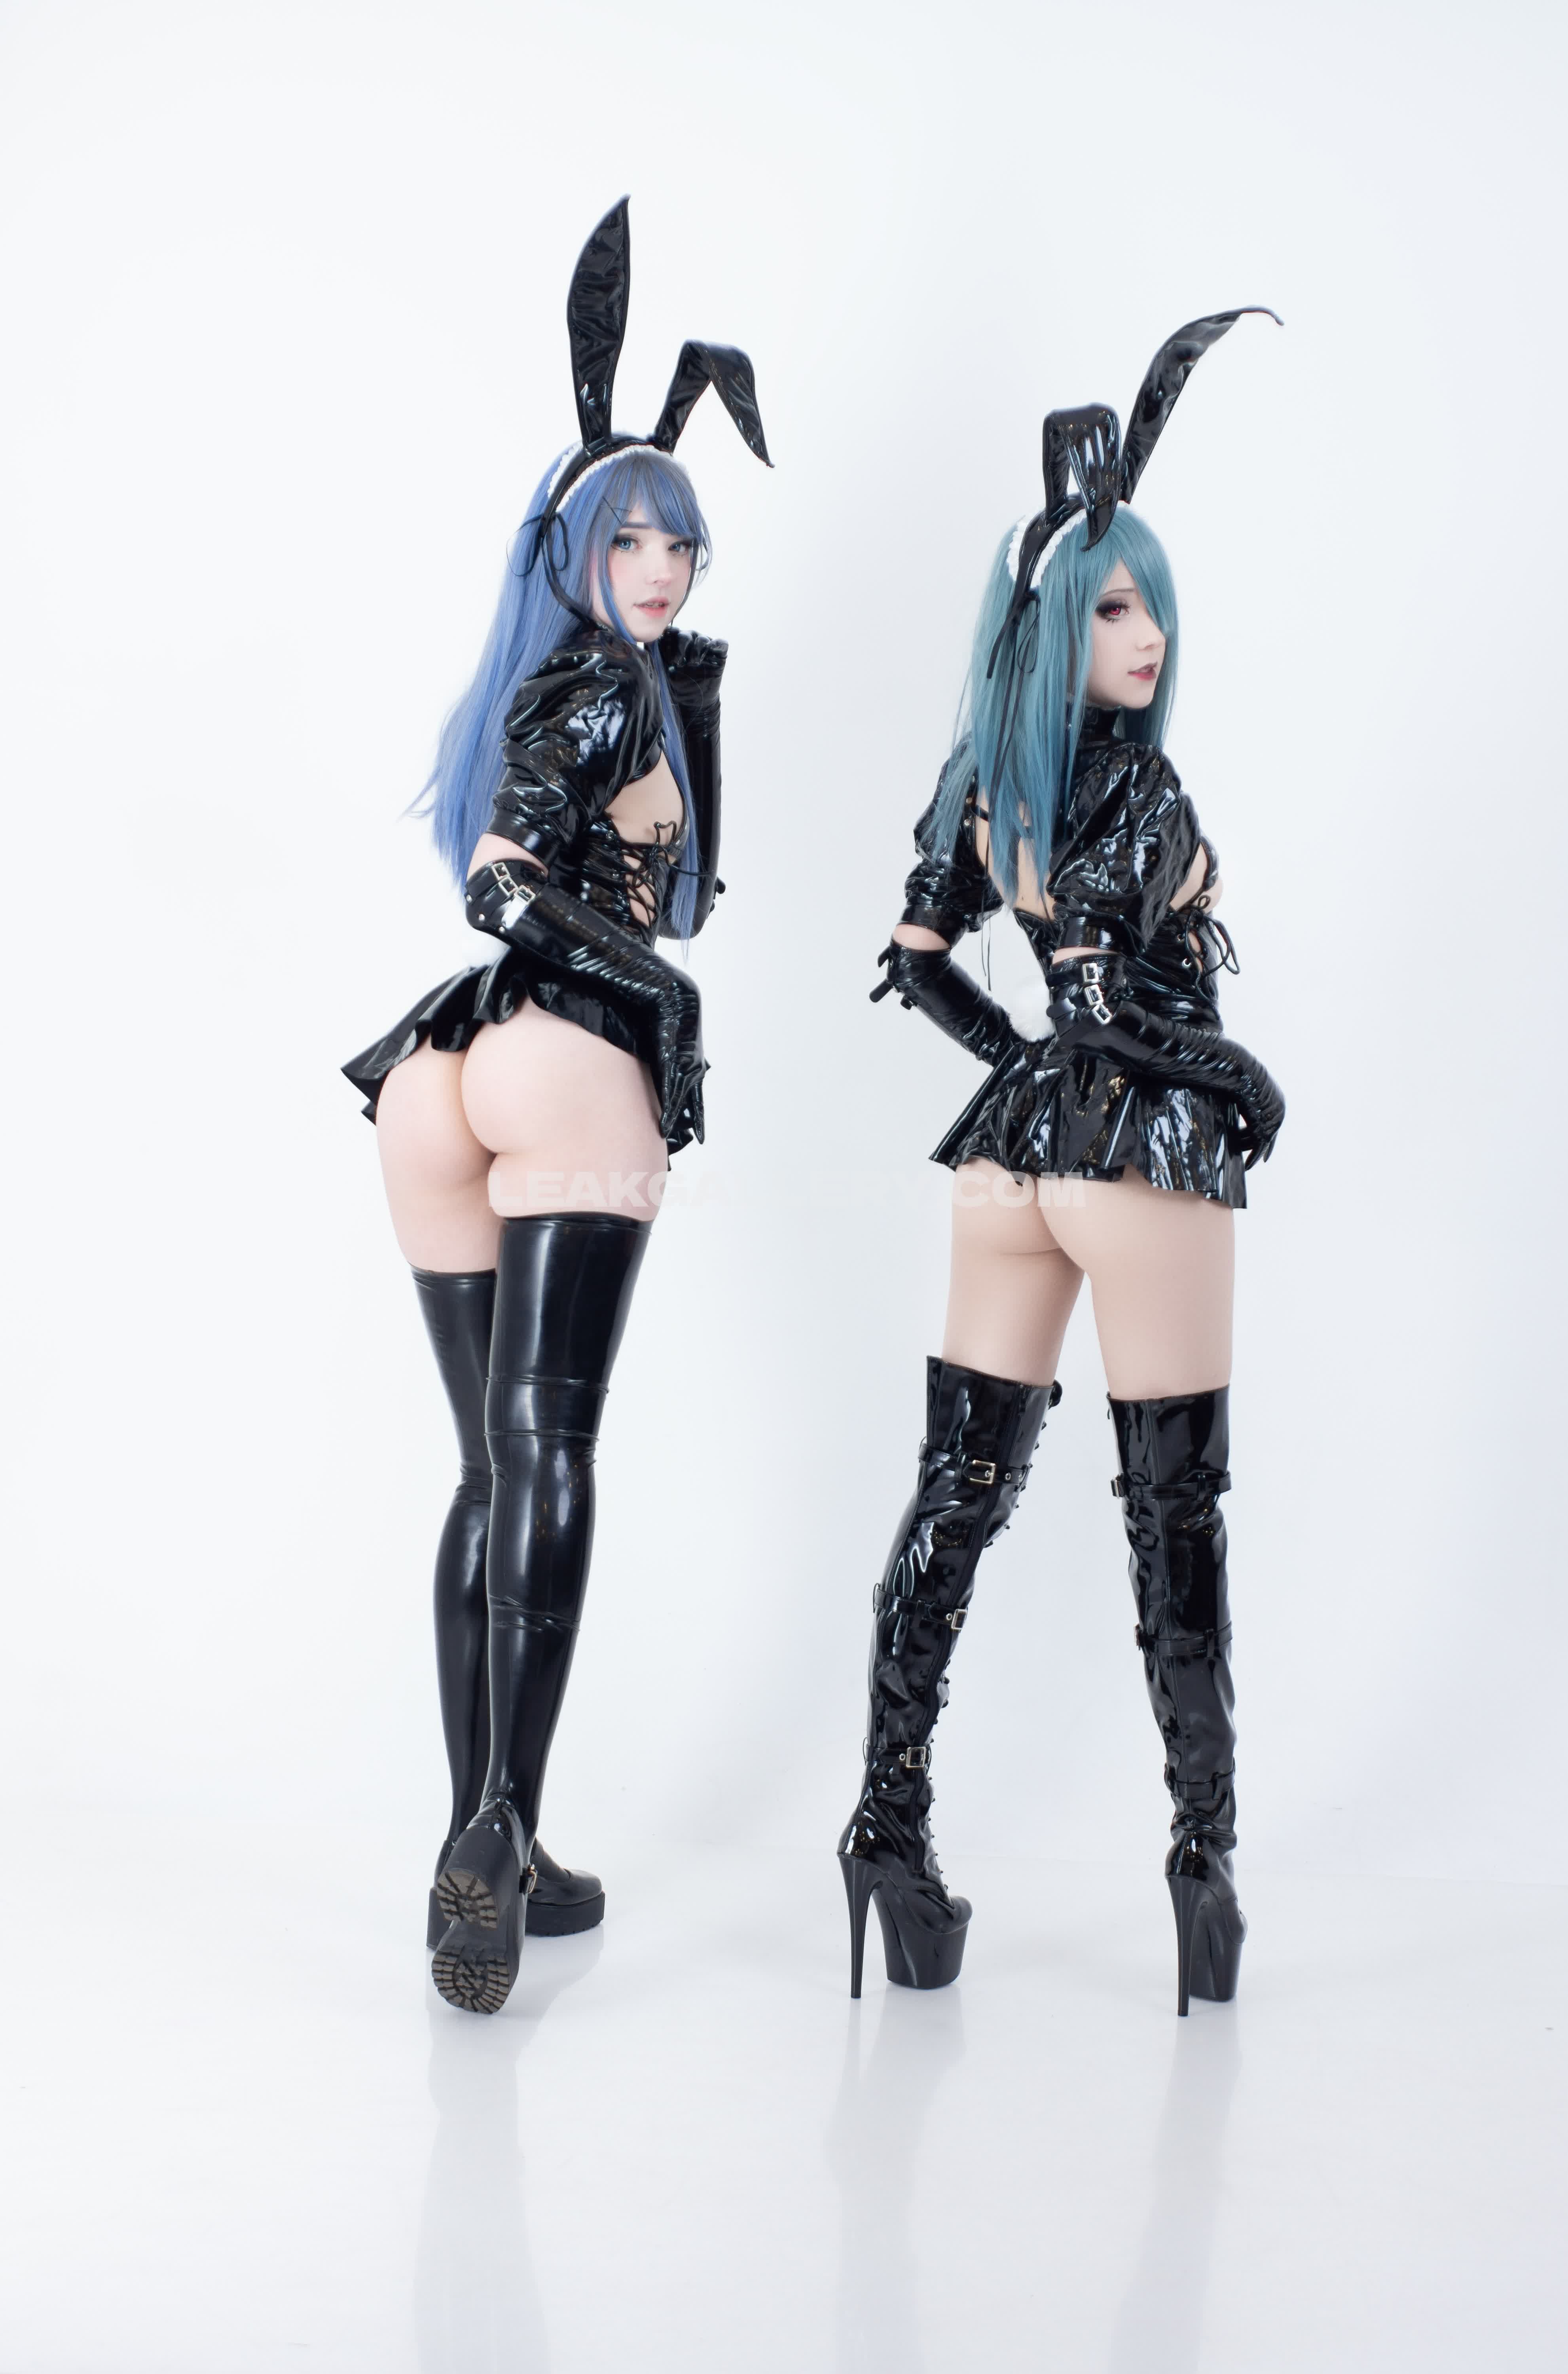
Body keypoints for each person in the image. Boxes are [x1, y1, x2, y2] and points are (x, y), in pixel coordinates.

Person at [343, 199, 769, 2014]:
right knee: (551, 1458)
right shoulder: (596, 687)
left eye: (681, 538)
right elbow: (512, 881)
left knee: (490, 1469)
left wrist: (699, 714)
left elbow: (666, 884)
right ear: (574, 547)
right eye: (630, 537)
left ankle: (490, 1840)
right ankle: (497, 1827)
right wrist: (662, 996)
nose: (662, 564)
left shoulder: (581, 676)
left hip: (438, 1084)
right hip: (559, 1055)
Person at [838, 313, 1283, 2015]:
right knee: (1174, 1509)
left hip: (1012, 1165)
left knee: (957, 1494)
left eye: (1153, 603)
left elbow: (919, 959)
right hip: (1140, 1161)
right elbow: (1117, 1003)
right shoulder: (1149, 801)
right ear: (1051, 619)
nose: (1148, 633)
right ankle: (1202, 1864)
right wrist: (1230, 1069)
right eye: (1110, 606)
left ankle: (886, 1830)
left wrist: (1026, 1068)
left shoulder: (984, 780)